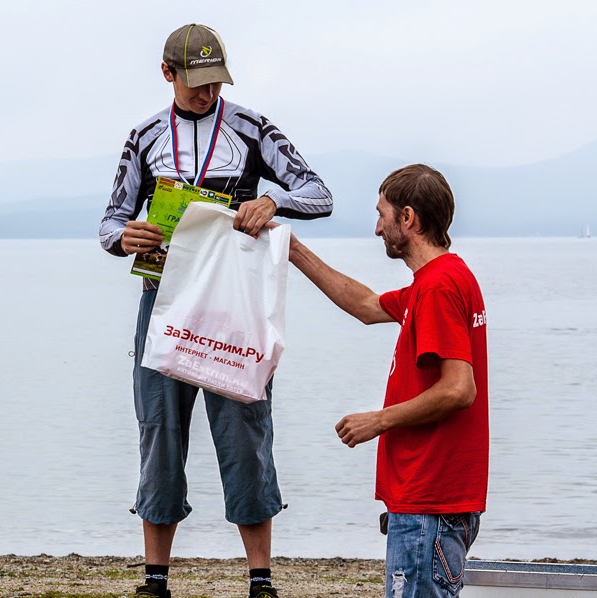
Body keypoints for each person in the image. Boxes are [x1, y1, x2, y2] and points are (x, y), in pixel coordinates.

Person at [99, 23, 333, 598]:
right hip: (166, 303)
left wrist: (272, 198)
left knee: (246, 435)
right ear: (168, 74)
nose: (207, 94)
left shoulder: (253, 129)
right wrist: (124, 237)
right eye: (196, 84)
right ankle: (155, 581)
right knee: (160, 434)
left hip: (234, 306)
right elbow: (108, 222)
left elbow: (320, 193)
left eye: (215, 83)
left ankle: (261, 580)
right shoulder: (145, 136)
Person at [287, 164, 488, 598]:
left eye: (383, 214)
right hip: (434, 500)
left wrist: (377, 421)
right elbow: (365, 304)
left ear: (408, 218)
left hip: (429, 499)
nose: (377, 227)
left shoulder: (437, 288)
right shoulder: (440, 280)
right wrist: (294, 250)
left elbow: (459, 388)